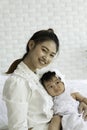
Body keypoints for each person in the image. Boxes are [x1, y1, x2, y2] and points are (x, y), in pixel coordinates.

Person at [2, 28, 87, 130]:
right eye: (44, 50)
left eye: (51, 55)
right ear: (31, 45)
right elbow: (17, 127)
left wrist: (78, 104)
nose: (46, 58)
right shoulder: (18, 82)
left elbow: (61, 97)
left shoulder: (40, 77)